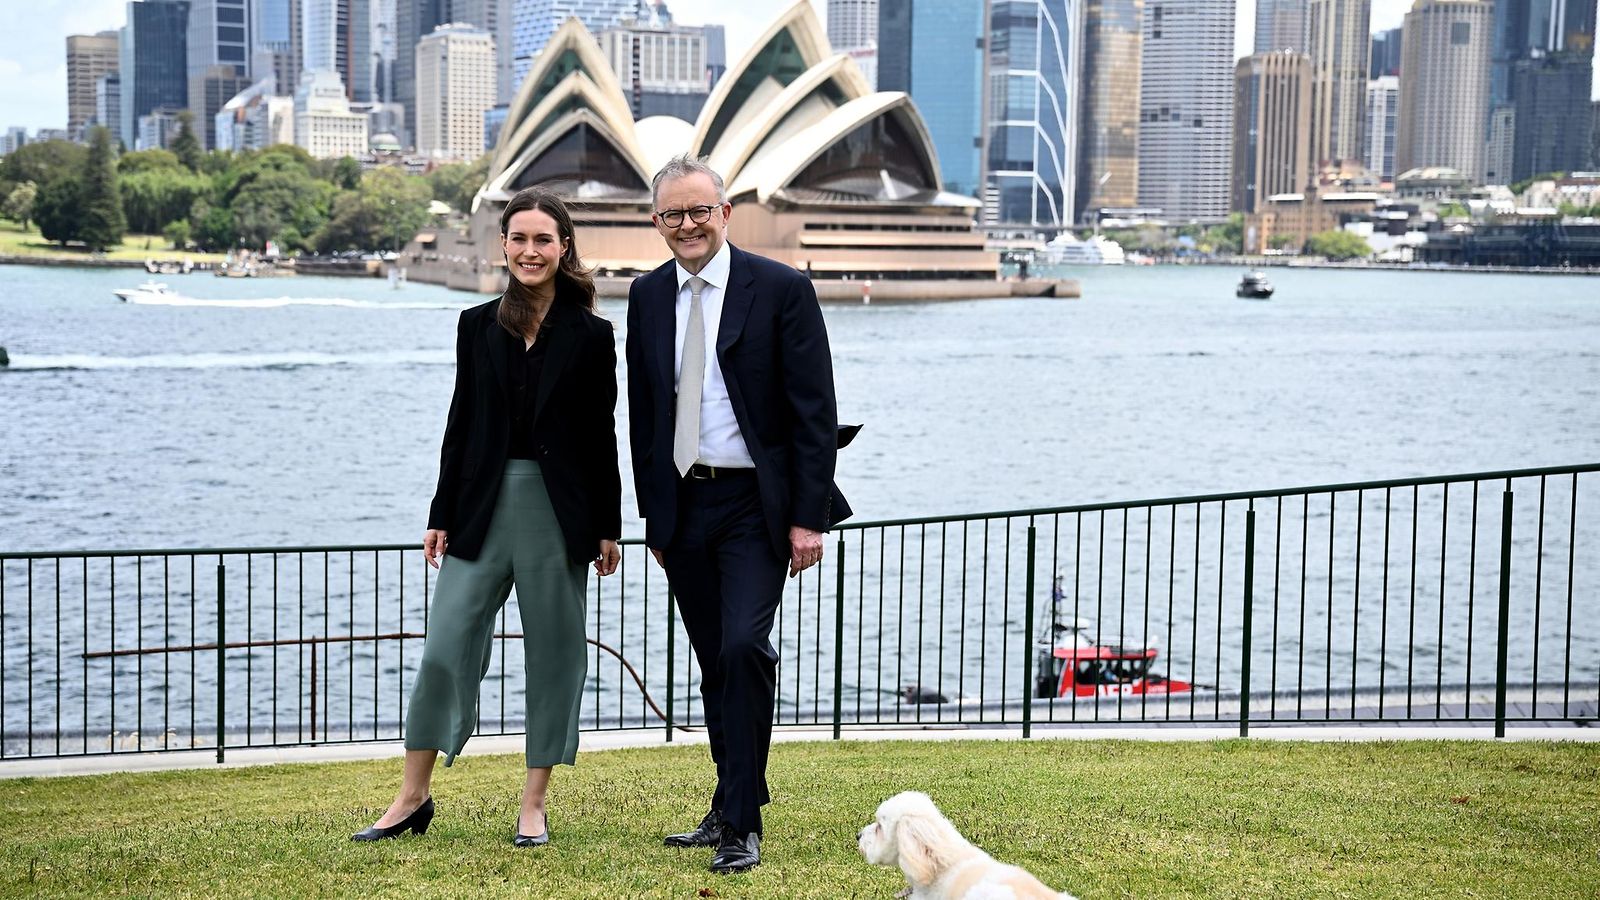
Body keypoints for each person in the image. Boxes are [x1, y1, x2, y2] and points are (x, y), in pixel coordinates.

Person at [353, 186, 622, 847]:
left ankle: (533, 804)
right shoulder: (476, 324)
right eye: (519, 238)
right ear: (502, 245)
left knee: (556, 655)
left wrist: (608, 525)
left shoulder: (592, 335)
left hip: (559, 515)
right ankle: (412, 796)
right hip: (479, 505)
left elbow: (600, 436)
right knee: (445, 646)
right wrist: (441, 511)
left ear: (564, 248)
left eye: (543, 239)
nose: (530, 251)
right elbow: (461, 423)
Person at [625, 155, 851, 874]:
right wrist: (655, 517)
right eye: (672, 214)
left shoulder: (781, 289)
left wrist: (807, 518)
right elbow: (643, 416)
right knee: (713, 665)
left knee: (743, 650)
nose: (686, 225)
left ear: (725, 213)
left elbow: (815, 413)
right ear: (656, 223)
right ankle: (729, 799)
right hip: (684, 504)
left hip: (757, 505)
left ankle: (742, 824)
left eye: (699, 211)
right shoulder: (646, 295)